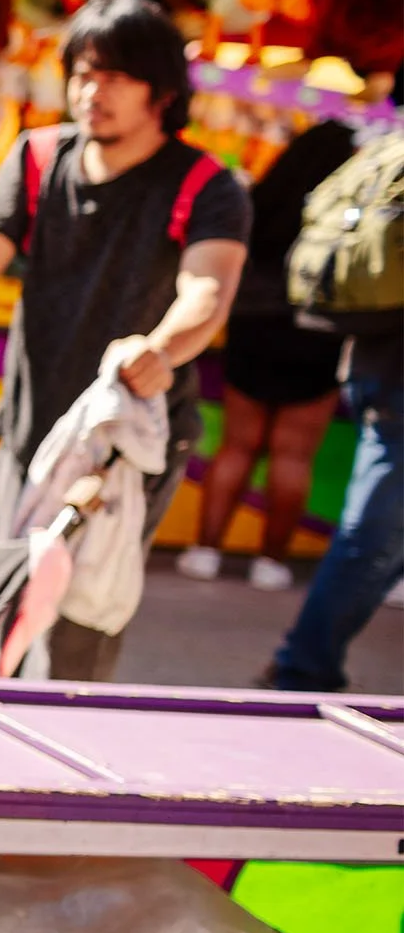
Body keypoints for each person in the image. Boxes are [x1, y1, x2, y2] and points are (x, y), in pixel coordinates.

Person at [0, 0, 250, 681]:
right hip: (28, 421)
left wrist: (159, 347)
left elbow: (208, 290)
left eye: (113, 75)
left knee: (80, 615)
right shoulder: (39, 156)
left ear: (161, 90)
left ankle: (65, 755)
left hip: (126, 438)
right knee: (5, 594)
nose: (90, 90)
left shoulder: (207, 183)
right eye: (81, 71)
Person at [181, 121, 358, 591]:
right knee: (294, 453)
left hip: (254, 325)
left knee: (236, 445)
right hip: (317, 333)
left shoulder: (262, 199)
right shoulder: (348, 207)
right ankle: (271, 562)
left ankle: (205, 550)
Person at [266, 312, 404, 691]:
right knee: (372, 539)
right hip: (393, 376)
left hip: (378, 363)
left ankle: (302, 666)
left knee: (377, 536)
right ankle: (301, 670)